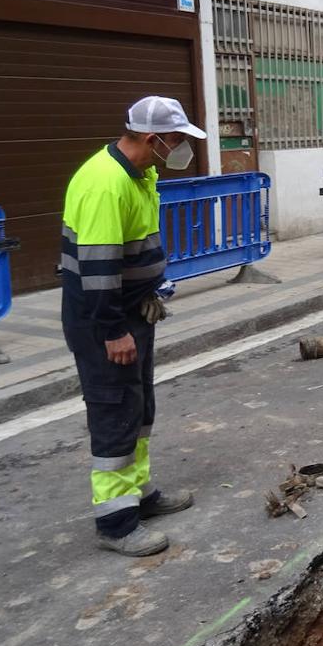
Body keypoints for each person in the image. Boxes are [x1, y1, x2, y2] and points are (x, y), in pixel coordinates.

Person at [60, 96, 206, 557]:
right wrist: (112, 331)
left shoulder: (140, 173)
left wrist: (148, 293)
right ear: (152, 139)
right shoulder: (106, 183)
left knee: (138, 406)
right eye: (177, 139)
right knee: (116, 409)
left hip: (131, 311)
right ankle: (116, 522)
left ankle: (138, 494)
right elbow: (97, 267)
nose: (182, 147)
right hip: (105, 319)